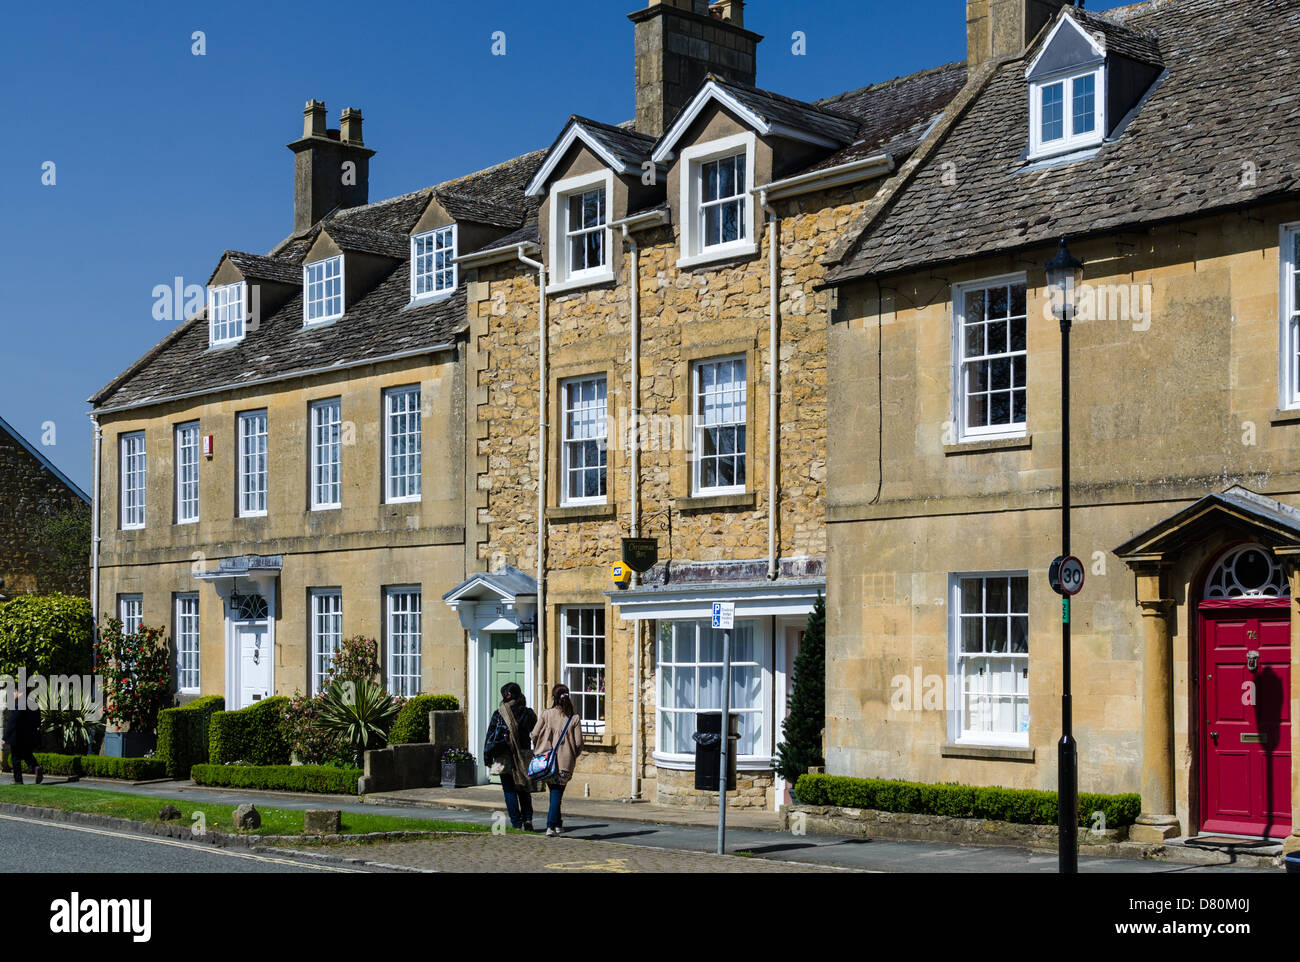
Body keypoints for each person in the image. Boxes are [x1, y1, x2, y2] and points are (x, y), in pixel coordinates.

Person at [483, 682, 537, 831]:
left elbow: (490, 738)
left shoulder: (499, 713)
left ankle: (516, 824)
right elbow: (537, 732)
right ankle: (528, 819)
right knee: (524, 789)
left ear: (507, 695)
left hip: (501, 757)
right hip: (524, 756)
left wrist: (487, 758)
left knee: (508, 790)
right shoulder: (528, 713)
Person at [531, 683, 584, 836]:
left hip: (546, 762)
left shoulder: (546, 714)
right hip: (564, 764)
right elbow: (579, 743)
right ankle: (551, 826)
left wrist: (540, 745)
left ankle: (556, 824)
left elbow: (534, 734)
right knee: (556, 794)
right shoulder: (574, 718)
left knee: (555, 794)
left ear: (554, 697)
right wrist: (572, 754)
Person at [2, 703, 43, 785]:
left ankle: (18, 780)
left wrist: (5, 737)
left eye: (15, 691)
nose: (13, 693)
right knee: (27, 754)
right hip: (29, 736)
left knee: (15, 758)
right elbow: (38, 721)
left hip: (17, 736)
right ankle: (36, 767)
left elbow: (12, 722)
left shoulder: (18, 706)